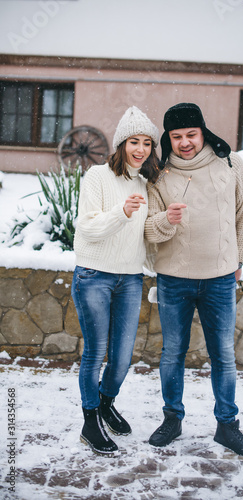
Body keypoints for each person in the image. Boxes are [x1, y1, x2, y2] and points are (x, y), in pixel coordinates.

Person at [144, 102, 243, 458]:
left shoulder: (230, 163)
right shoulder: (160, 175)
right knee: (172, 354)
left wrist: (240, 256)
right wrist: (166, 219)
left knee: (223, 355)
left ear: (203, 132)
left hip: (220, 278)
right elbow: (149, 229)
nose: (184, 143)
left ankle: (227, 425)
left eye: (190, 135)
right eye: (176, 137)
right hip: (174, 280)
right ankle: (172, 418)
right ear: (168, 138)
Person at [71, 106, 159, 456]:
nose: (140, 149)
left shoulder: (145, 182)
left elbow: (146, 237)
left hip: (130, 278)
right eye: (134, 141)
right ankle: (90, 421)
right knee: (94, 354)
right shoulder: (97, 176)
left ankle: (106, 403)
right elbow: (87, 228)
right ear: (121, 143)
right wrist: (121, 213)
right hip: (94, 275)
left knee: (122, 358)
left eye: (147, 143)